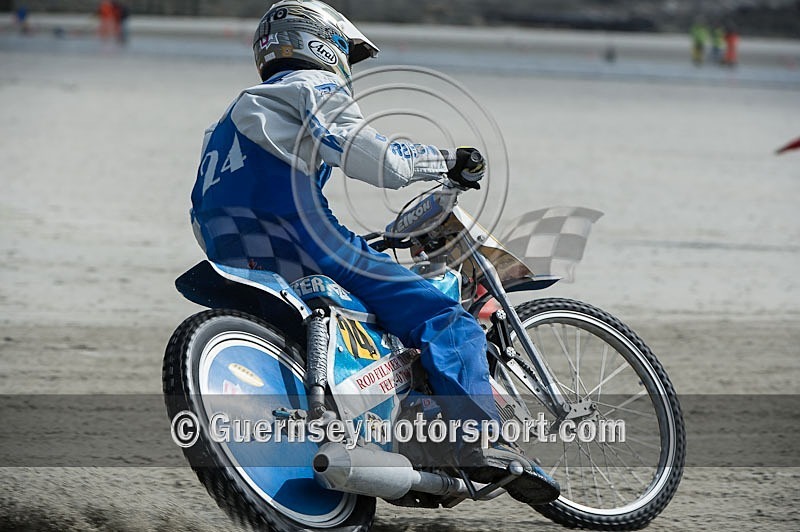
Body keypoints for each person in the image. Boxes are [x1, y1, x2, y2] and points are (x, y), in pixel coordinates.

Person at [189, 0, 559, 505]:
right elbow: (382, 161)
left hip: (232, 251)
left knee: (365, 291)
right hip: (303, 235)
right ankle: (482, 442)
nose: (346, 63)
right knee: (450, 321)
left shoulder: (227, 120)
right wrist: (447, 163)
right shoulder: (311, 87)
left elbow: (200, 208)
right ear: (323, 42)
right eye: (345, 50)